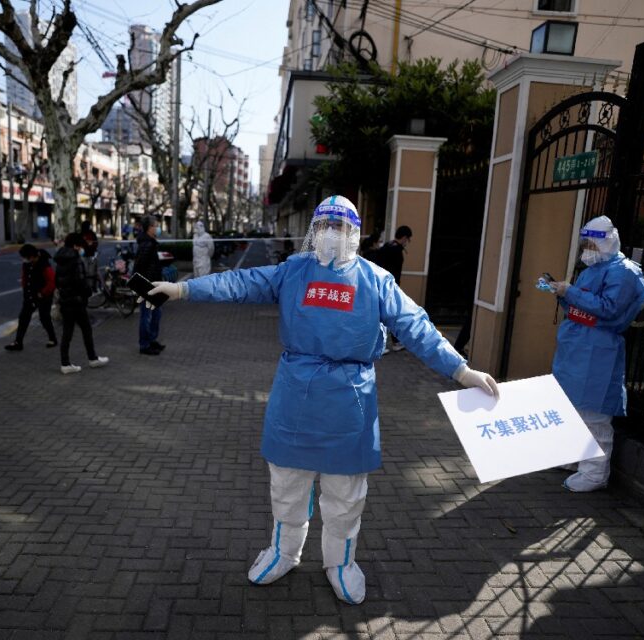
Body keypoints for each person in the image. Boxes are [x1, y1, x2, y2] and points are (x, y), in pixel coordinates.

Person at [146, 195, 499, 605]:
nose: (333, 233)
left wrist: (461, 370)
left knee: (345, 493)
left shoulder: (375, 280)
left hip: (349, 402)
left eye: (341, 226)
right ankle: (283, 552)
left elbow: (415, 326)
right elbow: (239, 283)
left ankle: (341, 562)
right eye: (325, 225)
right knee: (287, 486)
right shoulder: (293, 271)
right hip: (295, 395)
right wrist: (182, 289)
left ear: (355, 233)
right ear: (315, 231)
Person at [543, 215, 644, 493]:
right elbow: (580, 307)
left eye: (591, 244)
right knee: (572, 406)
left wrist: (570, 292)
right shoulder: (595, 269)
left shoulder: (624, 272)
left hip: (598, 351)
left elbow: (608, 309)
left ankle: (594, 473)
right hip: (577, 347)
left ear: (606, 242)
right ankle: (573, 457)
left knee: (594, 414)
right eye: (585, 244)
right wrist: (562, 293)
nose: (586, 250)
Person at [54, 233, 109, 374]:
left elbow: (57, 281)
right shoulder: (75, 260)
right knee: (86, 329)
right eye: (80, 246)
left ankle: (65, 363)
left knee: (67, 332)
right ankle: (92, 358)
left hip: (65, 301)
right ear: (75, 246)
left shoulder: (60, 260)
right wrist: (88, 292)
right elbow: (80, 281)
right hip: (77, 302)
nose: (81, 249)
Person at [5, 244, 58, 351]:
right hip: (30, 295)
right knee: (23, 318)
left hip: (43, 296)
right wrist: (25, 288)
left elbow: (52, 281)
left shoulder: (44, 264)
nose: (24, 260)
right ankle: (18, 342)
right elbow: (24, 277)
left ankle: (52, 339)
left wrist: (42, 293)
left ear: (32, 256)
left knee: (44, 318)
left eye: (26, 257)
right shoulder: (27, 263)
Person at [370, 226, 413, 352]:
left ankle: (394, 342)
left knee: (389, 315)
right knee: (388, 316)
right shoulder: (396, 251)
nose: (407, 242)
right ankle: (380, 346)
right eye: (408, 239)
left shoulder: (387, 246)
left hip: (379, 285)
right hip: (389, 288)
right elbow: (395, 272)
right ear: (404, 238)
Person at [135, 215, 166, 355]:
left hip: (154, 283)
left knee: (157, 313)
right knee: (146, 316)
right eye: (156, 226)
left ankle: (152, 339)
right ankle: (144, 345)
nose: (158, 228)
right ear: (149, 228)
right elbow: (140, 265)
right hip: (147, 284)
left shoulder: (151, 242)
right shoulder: (147, 244)